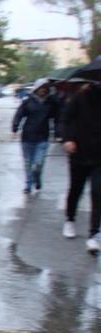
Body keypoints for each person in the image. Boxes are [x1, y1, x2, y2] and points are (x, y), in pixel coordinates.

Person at [61, 82, 101, 254]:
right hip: (79, 152)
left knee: (98, 192)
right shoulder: (80, 96)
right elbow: (64, 119)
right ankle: (70, 219)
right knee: (76, 189)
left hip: (99, 155)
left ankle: (93, 234)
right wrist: (68, 139)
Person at [12, 80, 57, 193]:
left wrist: (58, 132)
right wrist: (15, 127)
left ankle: (37, 178)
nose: (43, 90)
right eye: (41, 87)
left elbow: (58, 116)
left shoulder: (51, 103)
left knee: (38, 163)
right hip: (27, 137)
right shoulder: (28, 102)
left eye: (45, 88)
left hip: (42, 138)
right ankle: (28, 185)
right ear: (36, 89)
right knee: (28, 163)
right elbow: (19, 114)